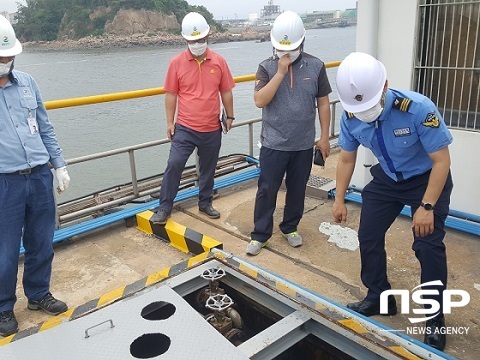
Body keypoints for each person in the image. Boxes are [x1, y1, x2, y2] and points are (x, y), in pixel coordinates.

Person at [333, 52, 453, 350]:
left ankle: (435, 318)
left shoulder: (417, 109)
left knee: (427, 245)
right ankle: (378, 297)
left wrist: (426, 208)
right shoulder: (350, 115)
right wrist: (338, 199)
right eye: (358, 108)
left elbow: (442, 162)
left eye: (370, 105)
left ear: (384, 86)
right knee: (369, 235)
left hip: (426, 178)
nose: (365, 112)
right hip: (388, 179)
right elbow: (347, 159)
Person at [0, 15, 71, 337]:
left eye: (10, 55)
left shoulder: (27, 82)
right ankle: (3, 307)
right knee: (4, 250)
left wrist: (59, 165)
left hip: (40, 175)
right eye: (2, 57)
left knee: (41, 242)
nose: (7, 61)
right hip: (5, 182)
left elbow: (44, 127)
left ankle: (38, 294)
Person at [246, 11, 332, 256]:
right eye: (281, 48)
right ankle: (260, 234)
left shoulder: (316, 66)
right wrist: (281, 72)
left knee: (298, 189)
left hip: (303, 144)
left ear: (302, 41)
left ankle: (290, 227)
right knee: (267, 190)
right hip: (274, 144)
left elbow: (323, 102)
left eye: (292, 48)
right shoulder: (266, 67)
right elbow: (260, 100)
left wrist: (324, 136)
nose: (286, 52)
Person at [150, 12, 235, 225]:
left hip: (212, 127)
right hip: (185, 128)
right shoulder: (176, 63)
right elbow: (171, 94)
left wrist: (230, 115)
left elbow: (226, 91)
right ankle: (164, 206)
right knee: (174, 164)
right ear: (186, 40)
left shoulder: (219, 61)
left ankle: (205, 202)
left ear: (207, 37)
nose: (198, 43)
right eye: (193, 40)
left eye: (201, 39)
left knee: (208, 167)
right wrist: (170, 122)